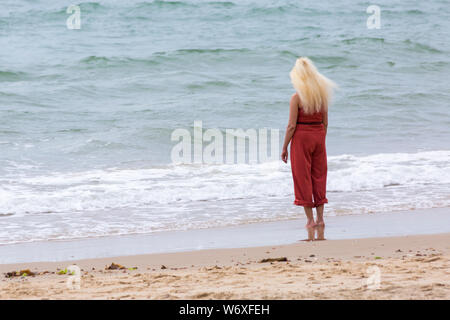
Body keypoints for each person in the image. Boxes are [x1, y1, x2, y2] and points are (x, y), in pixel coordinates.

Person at [281, 57, 336, 241]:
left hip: (301, 138)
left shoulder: (296, 98)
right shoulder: (322, 96)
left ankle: (310, 220)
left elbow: (291, 126)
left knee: (302, 177)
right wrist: (320, 138)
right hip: (319, 135)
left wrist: (285, 147)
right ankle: (321, 218)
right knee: (319, 176)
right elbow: (326, 122)